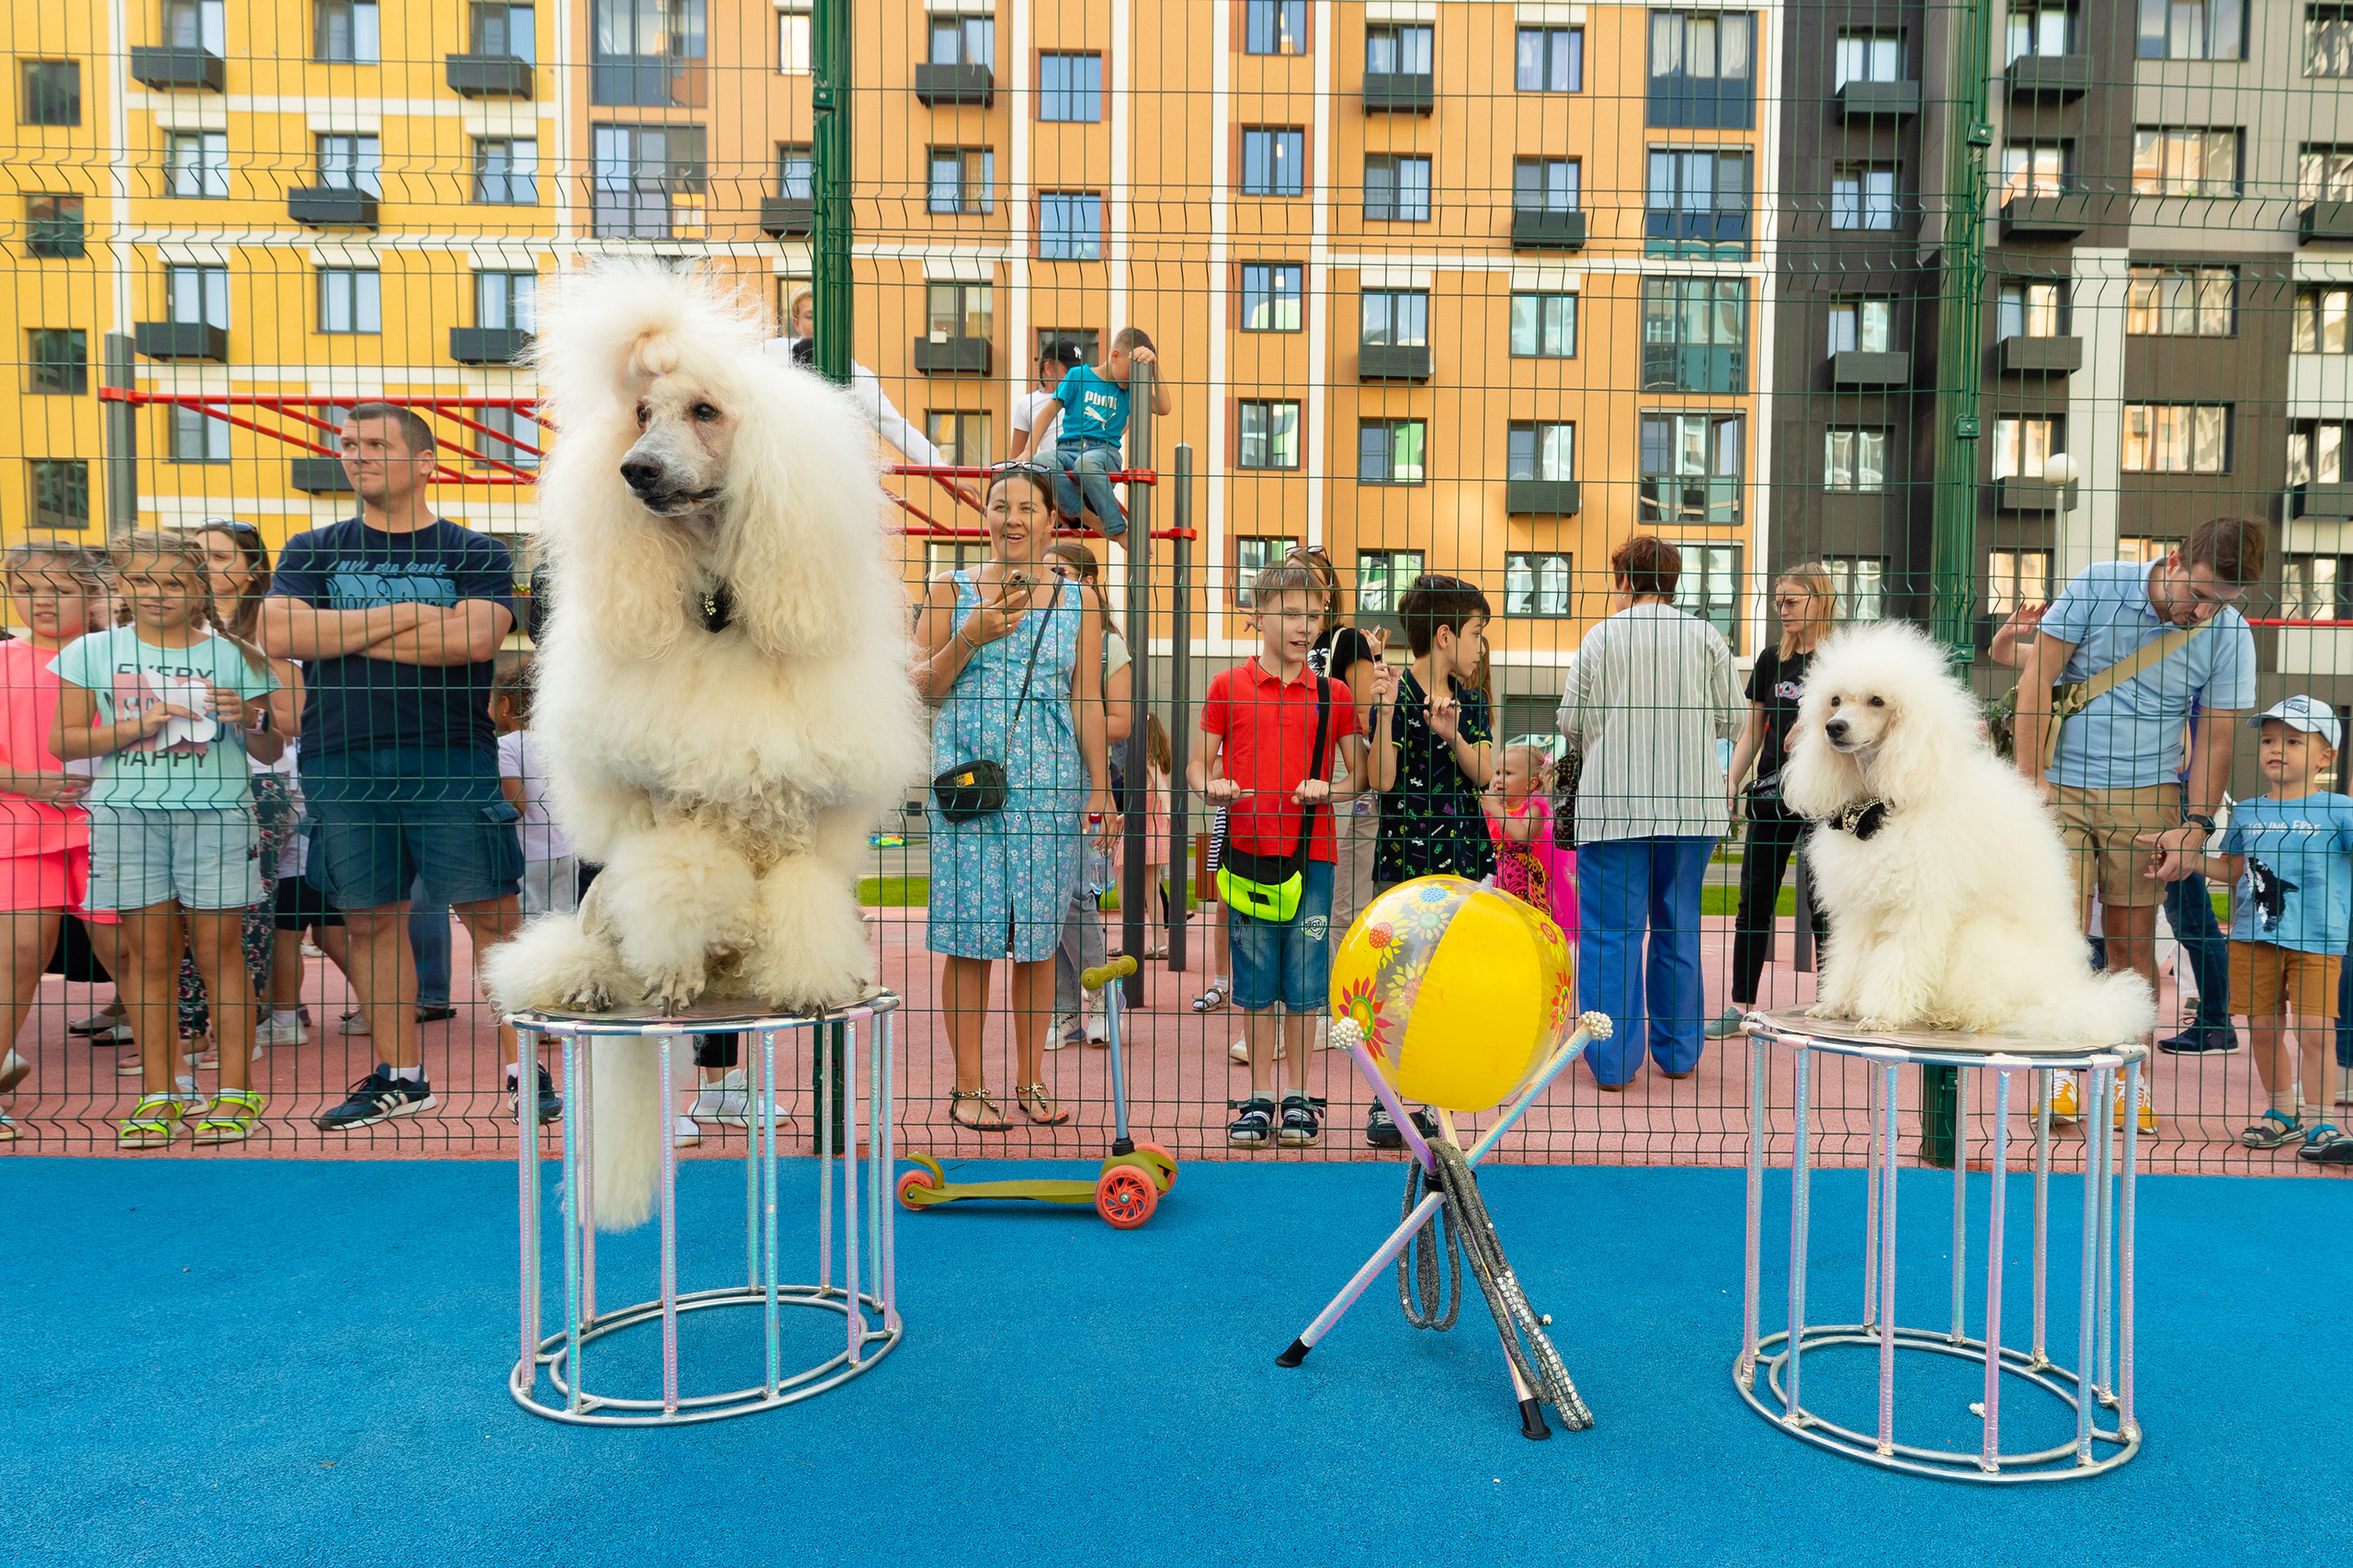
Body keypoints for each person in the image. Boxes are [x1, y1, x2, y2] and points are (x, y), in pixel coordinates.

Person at [259, 403, 549, 1131]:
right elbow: (278, 631)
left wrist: (337, 637)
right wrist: (417, 614)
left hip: (449, 757)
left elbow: (475, 641)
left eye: (376, 444)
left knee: (493, 918)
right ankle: (400, 1076)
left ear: (426, 462)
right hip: (341, 761)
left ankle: (525, 1070)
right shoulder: (312, 547)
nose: (356, 455)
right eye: (348, 445)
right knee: (369, 922)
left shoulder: (473, 550)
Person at [2018, 516, 2260, 1125]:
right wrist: (2029, 782)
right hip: (2062, 788)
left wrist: (2197, 824)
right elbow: (2035, 683)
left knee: (2131, 943)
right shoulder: (2100, 584)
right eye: (2200, 596)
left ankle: (2129, 1077)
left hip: (2148, 795)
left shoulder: (2229, 631)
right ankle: (2060, 1075)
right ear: (2175, 560)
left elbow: (2218, 737)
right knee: (2063, 941)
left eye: (2223, 603)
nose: (2204, 614)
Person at [51, 531, 279, 1148]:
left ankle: (235, 1092)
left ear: (200, 588)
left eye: (175, 582)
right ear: (123, 583)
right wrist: (136, 725)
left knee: (219, 953)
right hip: (127, 818)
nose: (158, 594)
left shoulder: (237, 656)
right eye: (144, 581)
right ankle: (160, 1095)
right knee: (148, 959)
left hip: (216, 815)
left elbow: (272, 746)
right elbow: (65, 742)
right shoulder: (92, 653)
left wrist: (251, 718)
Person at [911, 462, 1113, 1131]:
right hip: (972, 792)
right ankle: (969, 1087)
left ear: (1052, 520)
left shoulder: (1078, 601)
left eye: (1028, 507)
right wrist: (970, 637)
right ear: (985, 515)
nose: (1013, 519)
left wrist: (1100, 790)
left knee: (1035, 943)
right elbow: (920, 687)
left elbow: (1087, 696)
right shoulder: (950, 590)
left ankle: (1030, 1080)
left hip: (1050, 795)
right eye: (1001, 505)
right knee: (969, 938)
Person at [1558, 535, 1739, 1092]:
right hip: (1691, 806)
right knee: (1679, 926)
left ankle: (1611, 1063)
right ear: (1674, 580)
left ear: (1622, 581)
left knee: (1611, 934)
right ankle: (1681, 1054)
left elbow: (1570, 721)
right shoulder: (1706, 636)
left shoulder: (1601, 637)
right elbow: (1732, 718)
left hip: (1615, 806)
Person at [1193, 562, 1361, 1148]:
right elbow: (1197, 765)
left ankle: (1298, 1097)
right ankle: (1259, 1097)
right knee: (1257, 977)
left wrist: (1329, 789)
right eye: (1291, 614)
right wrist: (1208, 784)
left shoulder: (1332, 693)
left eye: (1314, 616)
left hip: (1312, 855)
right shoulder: (1226, 688)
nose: (1304, 627)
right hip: (1247, 851)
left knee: (1307, 976)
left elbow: (1357, 780)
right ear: (1257, 615)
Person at [2173, 699, 2353, 1153]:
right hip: (2253, 939)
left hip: (2318, 939)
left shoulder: (2341, 811)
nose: (2278, 749)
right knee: (2266, 1028)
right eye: (2270, 740)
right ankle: (2280, 1112)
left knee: (2316, 1030)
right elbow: (2234, 870)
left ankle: (2322, 1124)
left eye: (2294, 741)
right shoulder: (2249, 811)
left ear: (2326, 756)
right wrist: (2186, 859)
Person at [0, 546, 131, 1139]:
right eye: (25, 589)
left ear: (94, 593)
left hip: (113, 824)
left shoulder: (125, 657)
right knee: (17, 958)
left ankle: (171, 1085)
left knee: (133, 956)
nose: (41, 601)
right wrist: (24, 781)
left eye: (57, 588)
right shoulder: (3, 661)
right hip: (20, 827)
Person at [1362, 573, 1487, 1145]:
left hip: (1458, 856)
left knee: (1446, 982)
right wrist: (1384, 713)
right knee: (1395, 983)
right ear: (1444, 635)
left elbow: (1485, 773)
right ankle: (1388, 1105)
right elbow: (1382, 781)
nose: (1479, 646)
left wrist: (1452, 733)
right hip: (1404, 859)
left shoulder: (1472, 700)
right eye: (1476, 633)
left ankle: (1439, 1101)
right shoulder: (1391, 690)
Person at [1710, 562, 1836, 1038]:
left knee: (1823, 902)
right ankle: (1742, 1007)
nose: (1782, 609)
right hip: (1770, 797)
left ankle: (1831, 1004)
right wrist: (1730, 782)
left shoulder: (1839, 660)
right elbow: (1752, 731)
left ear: (1819, 601)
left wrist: (1814, 725)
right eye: (1778, 601)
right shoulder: (1769, 661)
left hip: (1824, 799)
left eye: (1791, 600)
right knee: (1754, 899)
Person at [1042, 540, 1131, 1051]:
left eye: (1062, 572)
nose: (1051, 579)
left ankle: (1103, 995)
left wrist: (1065, 725)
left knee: (1077, 894)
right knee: (1041, 898)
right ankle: (1065, 1006)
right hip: (1040, 778)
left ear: (1088, 585)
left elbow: (1118, 720)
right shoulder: (1031, 627)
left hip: (1085, 777)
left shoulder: (1107, 646)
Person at [767, 289, 945, 467]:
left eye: (826, 316)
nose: (820, 324)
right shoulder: (773, 354)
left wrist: (940, 469)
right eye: (811, 317)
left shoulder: (855, 375)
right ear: (796, 324)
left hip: (833, 473)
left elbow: (895, 426)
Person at [1031, 326, 1174, 539]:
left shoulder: (1129, 390)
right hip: (1069, 449)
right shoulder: (1078, 376)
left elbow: (1164, 407)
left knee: (1086, 463)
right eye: (1130, 372)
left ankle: (1117, 529)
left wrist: (1155, 368)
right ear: (1115, 356)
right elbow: (1047, 413)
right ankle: (1087, 517)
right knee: (1041, 459)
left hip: (1103, 453)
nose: (1132, 379)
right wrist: (1029, 449)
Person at [494, 664, 574, 918]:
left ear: (505, 703)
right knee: (564, 920)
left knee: (528, 922)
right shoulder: (559, 744)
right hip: (565, 849)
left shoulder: (505, 746)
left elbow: (516, 804)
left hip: (529, 853)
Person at [1483, 744, 1575, 937]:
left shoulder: (1533, 810)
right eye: (1497, 772)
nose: (1498, 779)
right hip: (1493, 880)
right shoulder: (1495, 811)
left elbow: (1522, 836)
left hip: (1522, 884)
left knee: (1523, 928)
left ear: (1531, 784)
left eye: (1507, 773)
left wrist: (1495, 810)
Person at [1010, 340, 1083, 464]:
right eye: (1069, 372)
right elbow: (1017, 456)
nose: (1074, 377)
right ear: (1048, 368)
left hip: (1084, 466)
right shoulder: (1026, 403)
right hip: (1050, 470)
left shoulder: (1087, 395)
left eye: (1078, 372)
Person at [1141, 711, 1174, 960]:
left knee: (1148, 887)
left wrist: (1171, 812)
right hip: (1151, 822)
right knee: (1150, 885)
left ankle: (1159, 943)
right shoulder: (1157, 758)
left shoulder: (1149, 758)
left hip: (1149, 825)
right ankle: (1156, 941)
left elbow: (1161, 789)